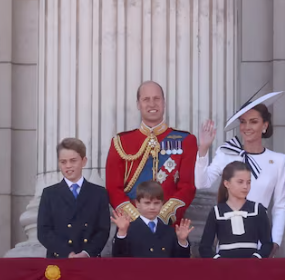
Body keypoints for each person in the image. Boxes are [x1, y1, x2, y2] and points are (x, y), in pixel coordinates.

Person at [197, 92, 285, 249]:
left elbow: (280, 206)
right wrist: (203, 150)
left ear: (265, 125)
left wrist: (274, 242)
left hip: (260, 235)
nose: (247, 127)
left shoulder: (278, 160)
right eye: (243, 122)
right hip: (228, 234)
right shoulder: (226, 153)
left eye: (253, 122)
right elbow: (201, 183)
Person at [106, 81, 197, 225]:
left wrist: (162, 217)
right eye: (146, 99)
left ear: (164, 102)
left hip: (169, 228)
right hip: (132, 227)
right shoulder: (121, 142)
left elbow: (187, 186)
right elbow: (113, 188)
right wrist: (137, 219)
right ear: (138, 104)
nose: (152, 104)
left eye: (156, 98)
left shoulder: (186, 140)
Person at [36, 137, 111, 259]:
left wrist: (86, 253)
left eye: (73, 160)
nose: (68, 166)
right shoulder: (49, 194)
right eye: (63, 162)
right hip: (59, 260)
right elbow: (44, 231)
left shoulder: (99, 193)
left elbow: (103, 230)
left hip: (89, 260)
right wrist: (67, 253)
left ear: (84, 161)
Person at [197, 162, 277, 259]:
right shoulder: (217, 211)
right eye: (240, 182)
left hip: (251, 269)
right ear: (227, 183)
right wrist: (219, 261)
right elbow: (205, 247)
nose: (245, 186)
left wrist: (256, 258)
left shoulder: (257, 209)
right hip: (225, 270)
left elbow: (267, 244)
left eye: (248, 182)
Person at [111, 180, 193, 258]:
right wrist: (121, 232)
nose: (152, 207)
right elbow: (118, 258)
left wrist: (182, 241)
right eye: (147, 203)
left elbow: (181, 262)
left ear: (162, 204)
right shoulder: (127, 229)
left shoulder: (170, 230)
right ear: (137, 204)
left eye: (156, 203)